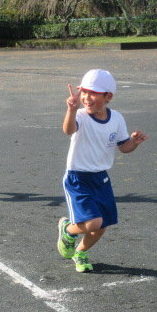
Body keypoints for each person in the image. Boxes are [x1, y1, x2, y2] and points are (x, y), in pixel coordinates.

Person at [57, 69, 147, 273]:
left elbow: (124, 147)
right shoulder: (80, 116)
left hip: (101, 179)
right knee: (93, 222)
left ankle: (80, 252)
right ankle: (67, 230)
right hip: (78, 178)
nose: (87, 98)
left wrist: (134, 142)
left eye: (93, 93)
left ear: (108, 97)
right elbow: (68, 130)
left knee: (101, 226)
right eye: (84, 92)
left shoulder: (117, 119)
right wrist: (71, 110)